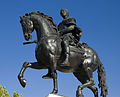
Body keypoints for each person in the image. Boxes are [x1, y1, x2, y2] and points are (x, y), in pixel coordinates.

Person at [42, 8, 82, 79]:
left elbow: (72, 27)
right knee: (52, 49)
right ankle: (50, 71)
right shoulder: (60, 24)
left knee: (64, 42)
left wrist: (61, 32)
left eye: (63, 11)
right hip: (61, 37)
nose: (62, 13)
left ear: (67, 12)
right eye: (61, 12)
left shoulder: (71, 19)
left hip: (69, 36)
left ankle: (66, 59)